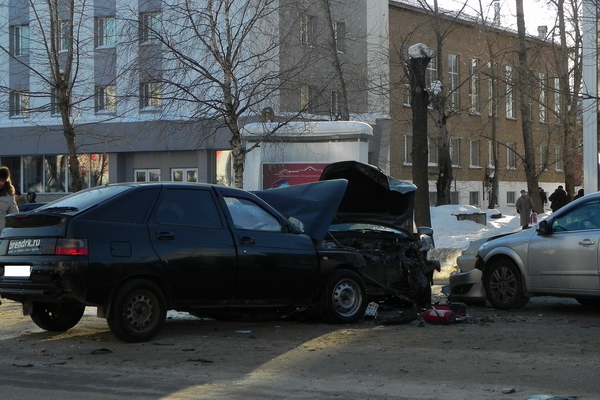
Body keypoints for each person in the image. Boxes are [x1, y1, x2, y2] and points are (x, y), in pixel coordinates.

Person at [0, 166, 19, 231]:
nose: (1, 183)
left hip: (2, 234)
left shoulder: (9, 196)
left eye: (3, 181)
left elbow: (14, 215)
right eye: (0, 180)